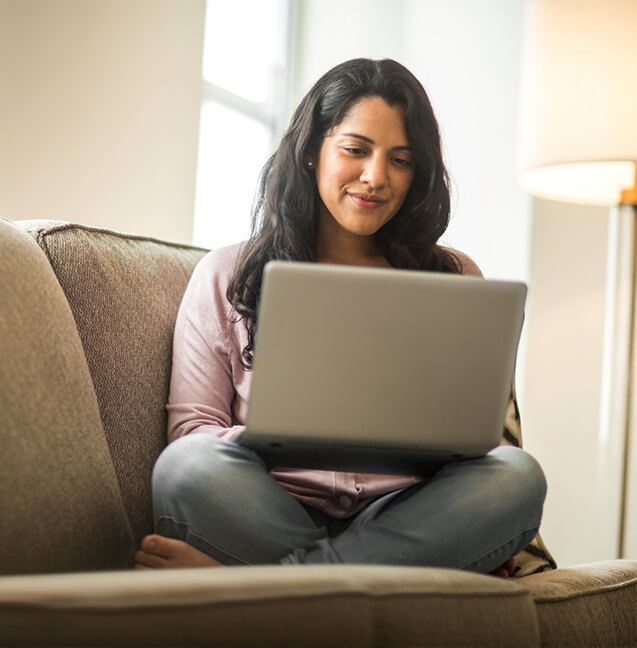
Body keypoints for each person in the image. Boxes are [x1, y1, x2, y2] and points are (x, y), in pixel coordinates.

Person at [135, 58, 546, 575]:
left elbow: (477, 444)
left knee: (516, 476)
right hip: (271, 507)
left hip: (404, 516)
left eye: (401, 160)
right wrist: (275, 436)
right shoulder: (228, 274)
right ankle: (349, 588)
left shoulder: (455, 277)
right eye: (355, 150)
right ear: (312, 152)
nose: (376, 177)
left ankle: (273, 591)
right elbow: (193, 430)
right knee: (184, 468)